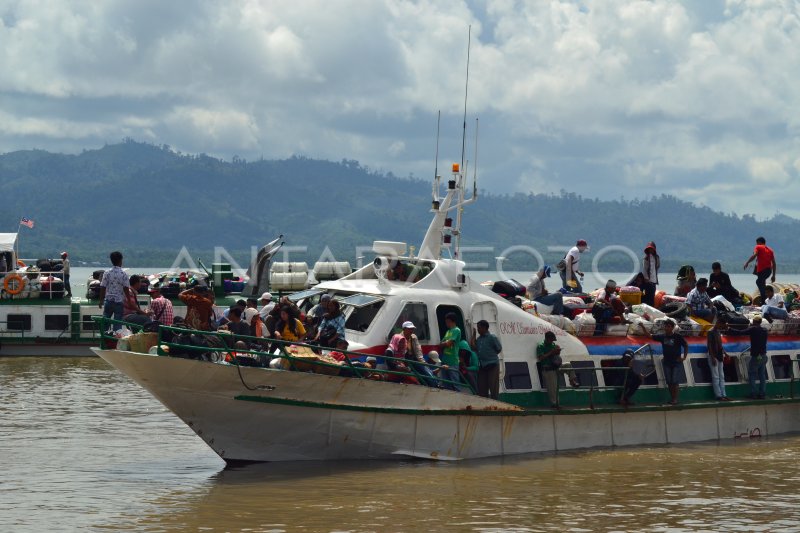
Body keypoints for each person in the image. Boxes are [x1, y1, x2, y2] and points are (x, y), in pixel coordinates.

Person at [640, 319, 688, 405]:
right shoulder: (662, 337)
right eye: (666, 326)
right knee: (669, 381)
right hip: (667, 362)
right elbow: (649, 336)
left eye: (669, 326)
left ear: (672, 327)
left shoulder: (678, 336)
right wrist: (643, 327)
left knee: (674, 380)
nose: (667, 328)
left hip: (676, 362)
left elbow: (685, 345)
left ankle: (675, 399)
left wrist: (684, 357)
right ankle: (672, 398)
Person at [97, 251, 131, 331]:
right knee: (117, 322)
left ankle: (103, 339)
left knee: (105, 321)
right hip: (119, 302)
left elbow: (103, 287)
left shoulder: (107, 273)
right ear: (120, 260)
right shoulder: (123, 274)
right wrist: (129, 300)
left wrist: (101, 300)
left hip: (108, 301)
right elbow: (126, 288)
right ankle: (115, 341)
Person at [736, 315, 768, 399]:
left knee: (752, 374)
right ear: (760, 322)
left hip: (756, 356)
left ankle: (753, 393)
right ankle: (762, 394)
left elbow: (741, 332)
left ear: (754, 322)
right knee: (762, 375)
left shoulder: (753, 329)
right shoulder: (765, 330)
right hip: (763, 355)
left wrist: (729, 329)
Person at [472, 320, 502, 399]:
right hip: (482, 365)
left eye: (479, 328)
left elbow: (499, 349)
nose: (478, 330)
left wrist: (490, 356)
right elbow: (474, 347)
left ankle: (495, 404)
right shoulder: (479, 339)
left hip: (493, 364)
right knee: (482, 386)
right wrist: (474, 335)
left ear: (484, 328)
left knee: (493, 386)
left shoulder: (492, 337)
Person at [400, 321, 438, 386]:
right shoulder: (399, 338)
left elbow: (418, 351)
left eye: (412, 329)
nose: (411, 330)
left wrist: (422, 362)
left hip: (414, 360)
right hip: (405, 361)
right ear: (404, 329)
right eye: (409, 329)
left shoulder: (413, 337)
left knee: (427, 372)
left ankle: (434, 385)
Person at [743, 236, 776, 303]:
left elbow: (754, 255)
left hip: (762, 270)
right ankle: (766, 299)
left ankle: (764, 301)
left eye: (757, 243)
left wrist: (747, 262)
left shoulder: (758, 247)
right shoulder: (770, 250)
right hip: (768, 271)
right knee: (762, 283)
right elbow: (774, 263)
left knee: (759, 282)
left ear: (759, 242)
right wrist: (773, 275)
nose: (756, 244)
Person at [706, 317, 730, 401]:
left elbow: (720, 345)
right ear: (718, 322)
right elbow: (709, 345)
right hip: (714, 356)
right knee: (716, 376)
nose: (722, 327)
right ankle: (719, 395)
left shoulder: (718, 331)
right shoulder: (710, 331)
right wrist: (712, 357)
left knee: (721, 376)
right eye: (722, 325)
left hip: (719, 356)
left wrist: (725, 353)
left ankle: (723, 394)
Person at [537, 331, 562, 408]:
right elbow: (541, 358)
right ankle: (555, 404)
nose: (552, 342)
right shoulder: (541, 346)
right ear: (547, 339)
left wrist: (558, 351)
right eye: (551, 340)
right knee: (553, 388)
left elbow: (556, 355)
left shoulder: (553, 345)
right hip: (548, 369)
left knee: (568, 365)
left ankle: (572, 380)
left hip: (555, 366)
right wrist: (551, 352)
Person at [440, 313, 463, 390]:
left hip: (453, 361)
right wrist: (445, 343)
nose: (446, 323)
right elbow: (441, 343)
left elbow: (449, 344)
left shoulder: (457, 330)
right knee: (446, 383)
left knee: (455, 383)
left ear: (450, 321)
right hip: (445, 360)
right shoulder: (448, 331)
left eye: (447, 322)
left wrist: (445, 343)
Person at [642, 242, 659, 306]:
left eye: (651, 249)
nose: (650, 250)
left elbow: (657, 266)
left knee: (652, 295)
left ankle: (652, 307)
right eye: (649, 249)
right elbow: (644, 269)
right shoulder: (646, 258)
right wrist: (646, 279)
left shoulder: (656, 258)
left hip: (654, 280)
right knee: (648, 296)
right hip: (648, 281)